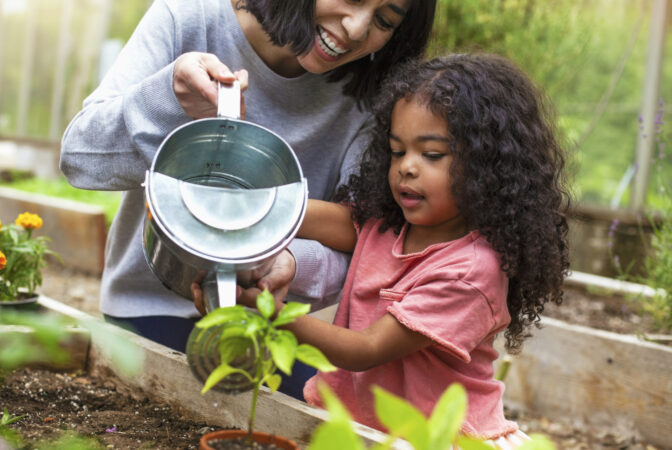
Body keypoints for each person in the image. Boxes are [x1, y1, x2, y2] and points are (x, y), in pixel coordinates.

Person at [60, 0, 436, 399]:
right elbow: (80, 158)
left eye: (385, 20)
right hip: (149, 309)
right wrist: (169, 98)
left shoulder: (370, 96)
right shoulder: (189, 18)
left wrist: (291, 262)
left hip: (268, 327)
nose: (357, 29)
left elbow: (366, 244)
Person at [201, 53, 570, 445]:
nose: (407, 167)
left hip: (438, 439)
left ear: (487, 166)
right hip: (360, 428)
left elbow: (368, 348)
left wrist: (273, 315)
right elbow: (337, 222)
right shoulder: (390, 224)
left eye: (431, 155)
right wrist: (264, 209)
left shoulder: (471, 270)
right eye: (397, 151)